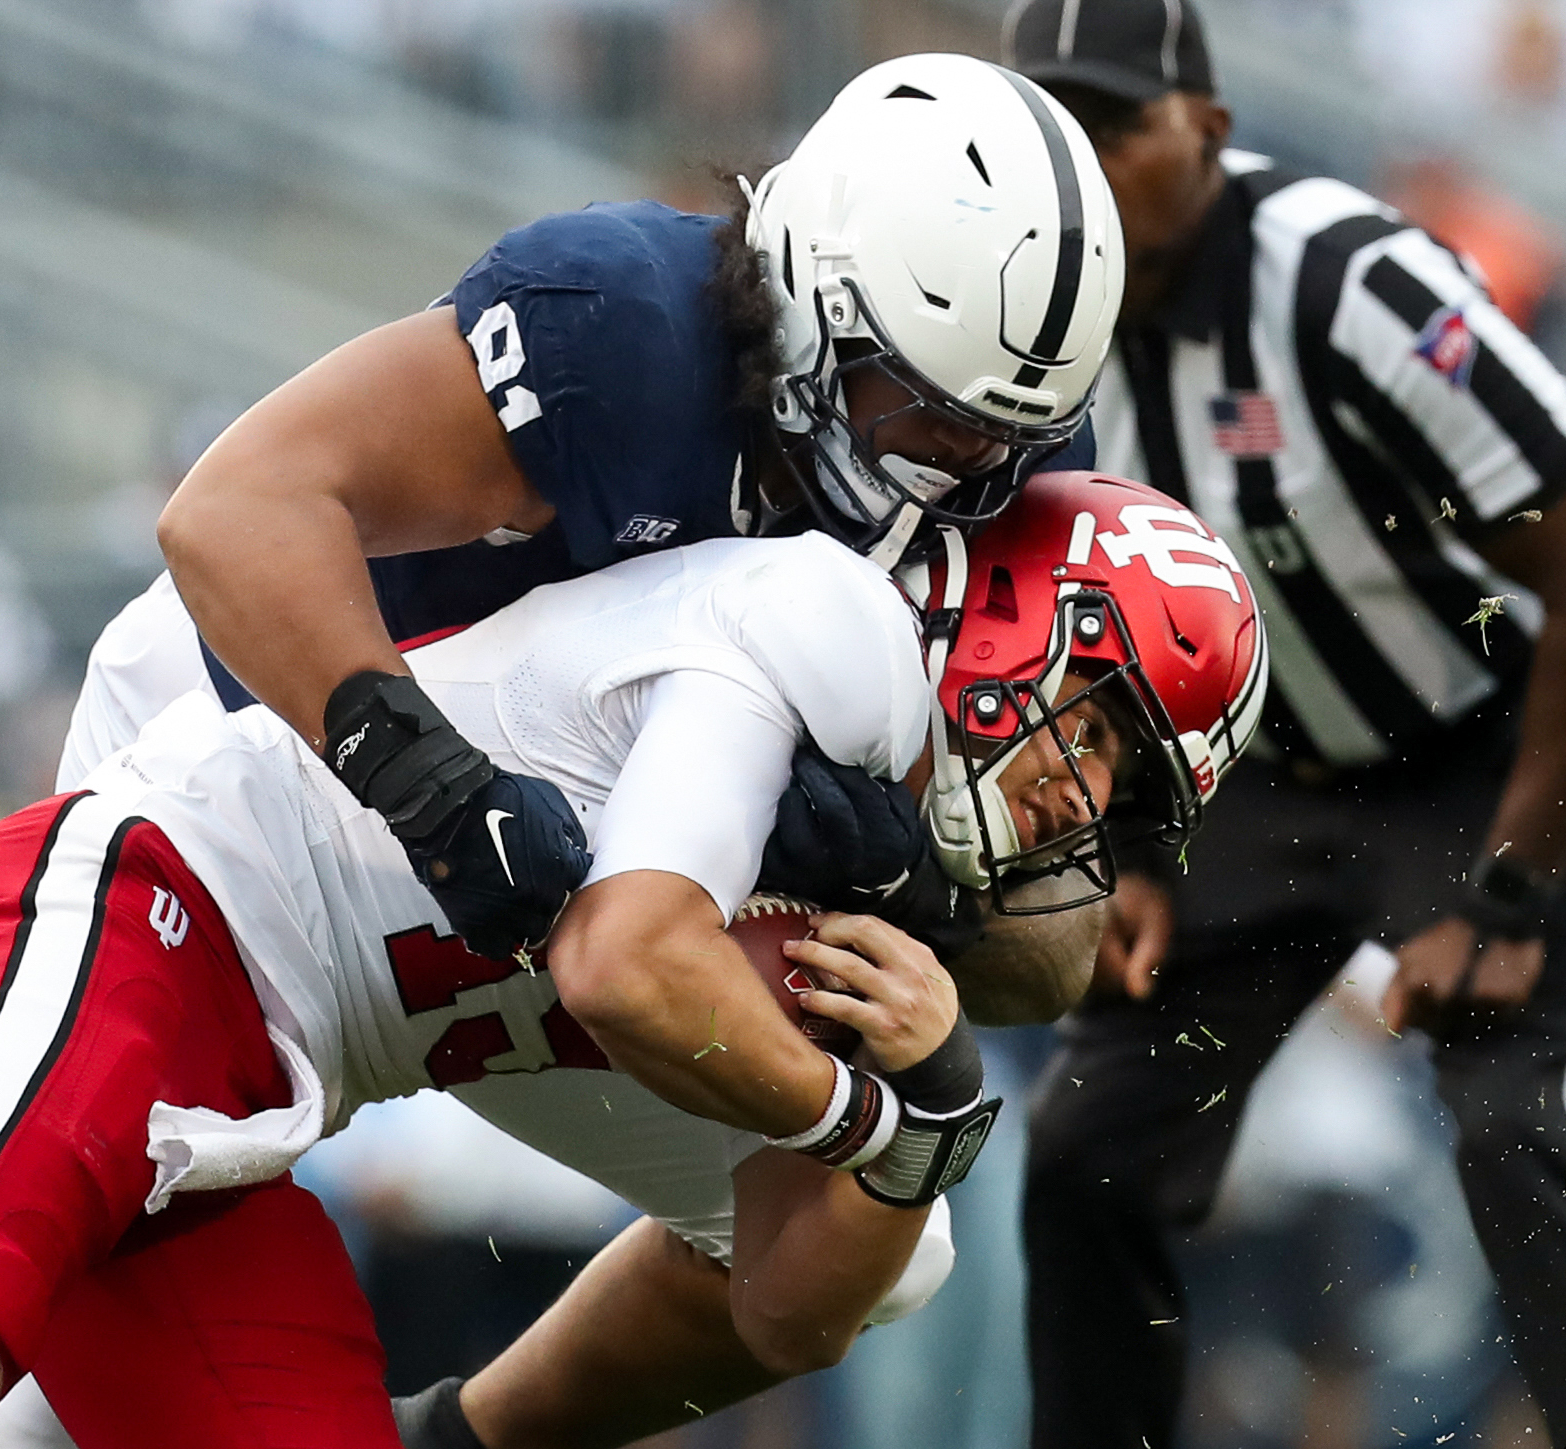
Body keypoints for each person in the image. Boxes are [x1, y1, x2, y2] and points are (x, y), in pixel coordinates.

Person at [0, 468, 1264, 1449]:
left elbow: (798, 1313)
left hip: (263, 1093)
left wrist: (931, 1110)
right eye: (1102, 730)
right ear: (1013, 614)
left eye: (1131, 792)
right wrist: (869, 1116)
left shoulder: (890, 880)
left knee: (897, 1259)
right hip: (138, 915)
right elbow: (620, 961)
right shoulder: (822, 632)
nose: (1086, 801)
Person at [999, 3, 1566, 1446]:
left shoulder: (1346, 280)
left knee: (1522, 1126)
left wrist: (1511, 888)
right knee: (1086, 1152)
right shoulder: (1006, 301)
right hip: (1247, 777)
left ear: (1209, 130)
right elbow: (1082, 613)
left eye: (1115, 123)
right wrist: (1123, 847)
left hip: (1496, 743)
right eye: (1052, 129)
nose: (1085, 165)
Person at [63, 49, 1125, 973]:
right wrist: (430, 788)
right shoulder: (628, 332)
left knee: (868, 1133)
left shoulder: (1013, 462)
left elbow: (1054, 956)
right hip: (249, 725)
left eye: (1006, 436)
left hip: (553, 864)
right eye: (926, 409)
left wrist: (925, 895)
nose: (966, 463)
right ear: (817, 294)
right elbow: (234, 511)